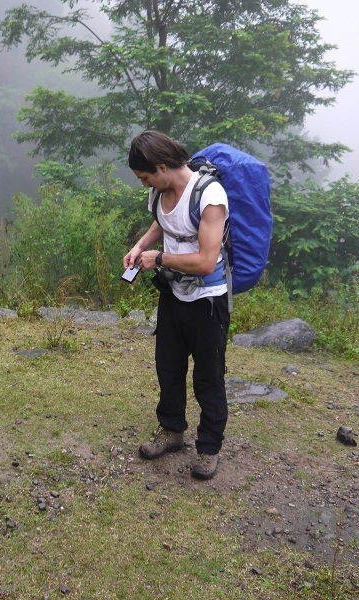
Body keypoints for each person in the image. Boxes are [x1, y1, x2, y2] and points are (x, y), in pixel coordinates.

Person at [123, 130, 230, 481]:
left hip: (206, 300)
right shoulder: (162, 189)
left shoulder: (210, 196)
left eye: (145, 177)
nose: (144, 185)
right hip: (173, 294)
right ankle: (172, 431)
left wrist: (161, 258)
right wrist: (140, 247)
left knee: (208, 376)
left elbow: (206, 262)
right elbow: (162, 222)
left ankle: (209, 448)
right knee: (167, 366)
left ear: (162, 166)